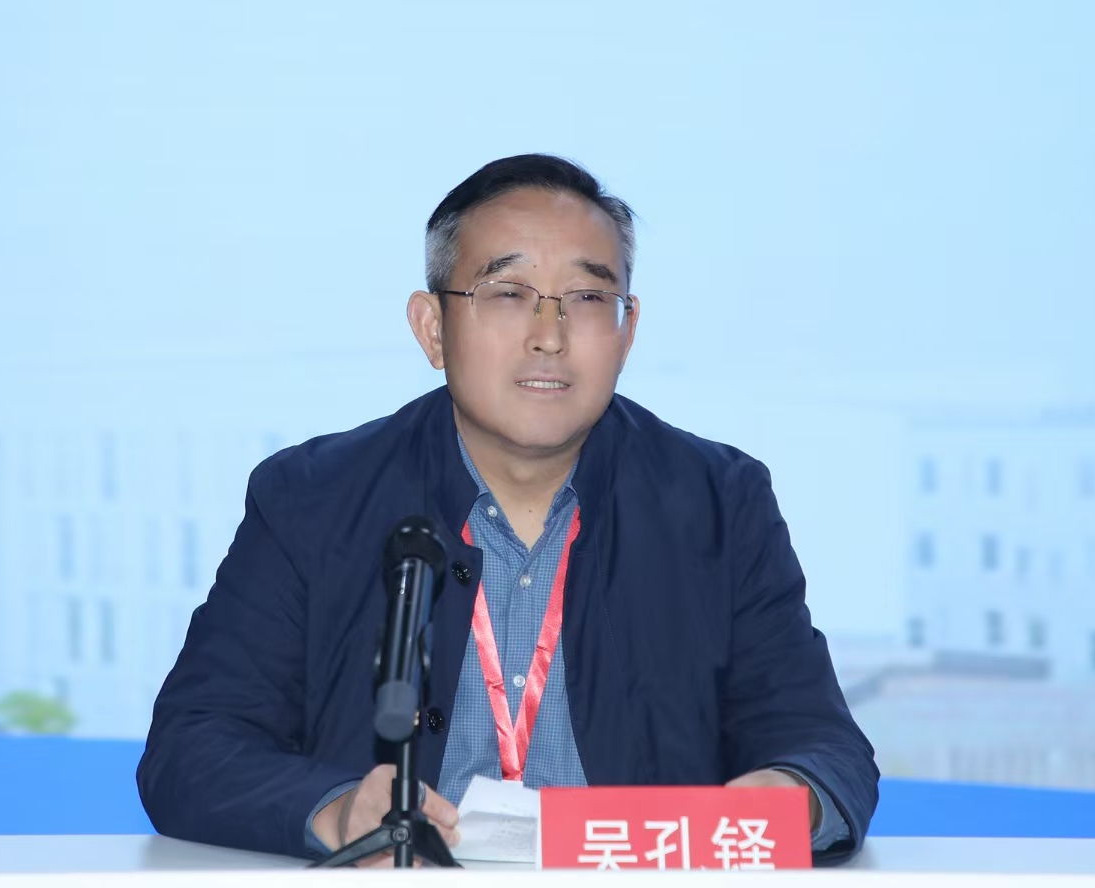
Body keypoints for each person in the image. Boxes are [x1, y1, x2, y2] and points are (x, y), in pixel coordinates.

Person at [137, 154, 879, 866]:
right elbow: (193, 745)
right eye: (507, 294)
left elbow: (823, 746)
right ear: (433, 328)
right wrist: (337, 812)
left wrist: (788, 796)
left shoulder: (718, 502)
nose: (548, 336)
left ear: (626, 331)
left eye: (587, 298)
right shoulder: (312, 498)